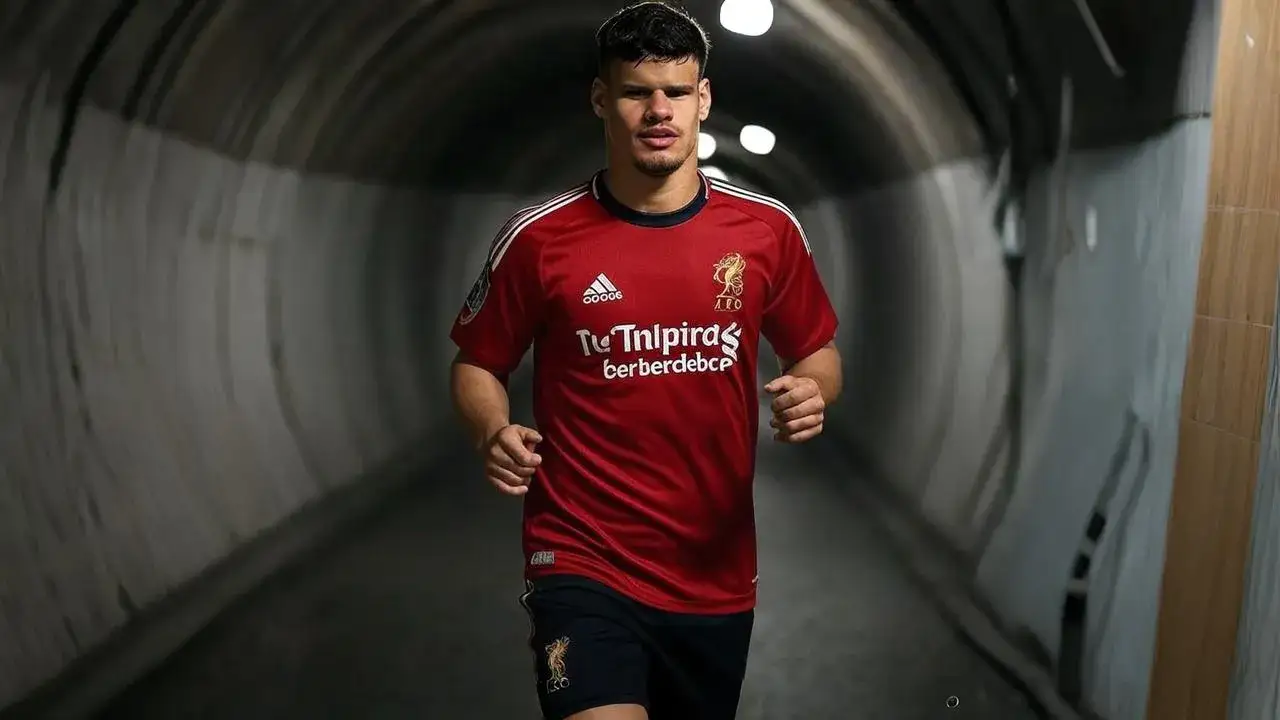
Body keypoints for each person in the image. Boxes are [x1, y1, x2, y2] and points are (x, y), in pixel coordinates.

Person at [448, 2, 842, 718]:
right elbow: (478, 362)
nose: (657, 111)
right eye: (635, 93)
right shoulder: (540, 239)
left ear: (704, 99)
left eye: (677, 92)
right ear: (602, 100)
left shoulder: (766, 232)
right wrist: (491, 430)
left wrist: (813, 391)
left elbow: (815, 350)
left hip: (714, 573)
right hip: (580, 557)